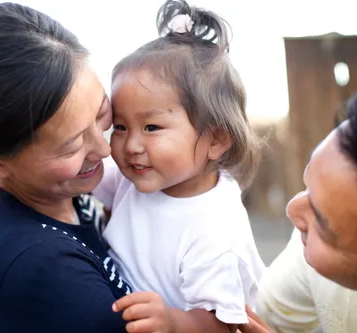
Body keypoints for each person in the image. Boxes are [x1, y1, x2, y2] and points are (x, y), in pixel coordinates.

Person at [0, 2, 264, 333]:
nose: (107, 149)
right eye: (73, 144)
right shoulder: (46, 275)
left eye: (101, 115)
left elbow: (225, 321)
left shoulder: (212, 230)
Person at [92, 1, 265, 331]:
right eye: (120, 127)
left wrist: (172, 321)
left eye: (151, 128)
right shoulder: (138, 177)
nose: (131, 146)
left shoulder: (215, 232)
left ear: (215, 139)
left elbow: (223, 326)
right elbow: (81, 175)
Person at [255, 85, 357, 333]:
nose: (293, 210)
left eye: (321, 223)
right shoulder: (306, 249)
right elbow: (264, 316)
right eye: (308, 187)